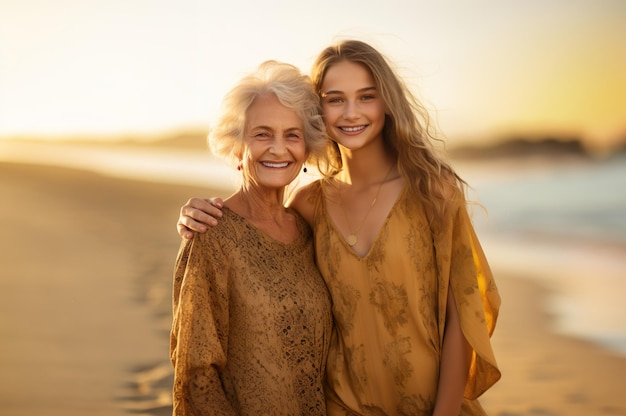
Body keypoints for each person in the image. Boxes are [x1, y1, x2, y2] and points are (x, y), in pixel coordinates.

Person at [177, 40, 501, 415]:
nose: (351, 112)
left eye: (366, 96)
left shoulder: (432, 190)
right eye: (334, 99)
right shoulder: (309, 205)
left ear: (387, 103)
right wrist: (197, 216)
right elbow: (253, 241)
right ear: (320, 112)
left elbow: (462, 315)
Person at [169, 60, 334, 416]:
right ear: (236, 147)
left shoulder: (309, 229)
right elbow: (197, 376)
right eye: (262, 134)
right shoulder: (211, 234)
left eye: (292, 134)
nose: (278, 149)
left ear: (307, 148)